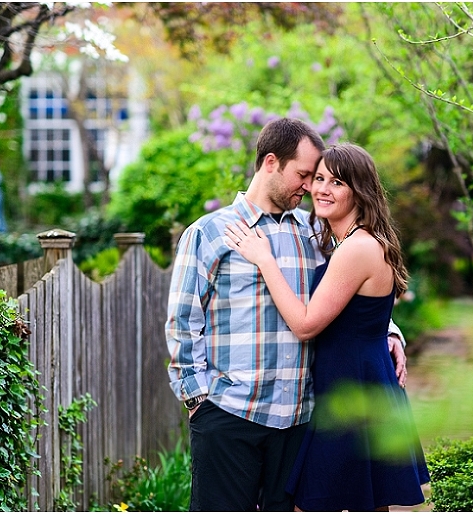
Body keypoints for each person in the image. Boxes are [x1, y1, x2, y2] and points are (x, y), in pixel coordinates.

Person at [165, 119, 408, 511]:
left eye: (319, 178)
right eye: (305, 175)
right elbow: (183, 321)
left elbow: (350, 296)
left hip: (298, 421)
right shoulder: (211, 232)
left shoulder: (315, 234)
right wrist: (199, 401)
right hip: (231, 414)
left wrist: (389, 333)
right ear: (272, 163)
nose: (312, 187)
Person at [225, 143, 430, 511]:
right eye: (318, 178)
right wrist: (390, 330)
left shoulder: (356, 247)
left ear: (359, 190)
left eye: (336, 183)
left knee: (336, 501)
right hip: (353, 379)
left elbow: (305, 325)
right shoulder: (347, 242)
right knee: (359, 500)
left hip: (352, 388)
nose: (321, 189)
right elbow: (362, 313)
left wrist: (264, 259)